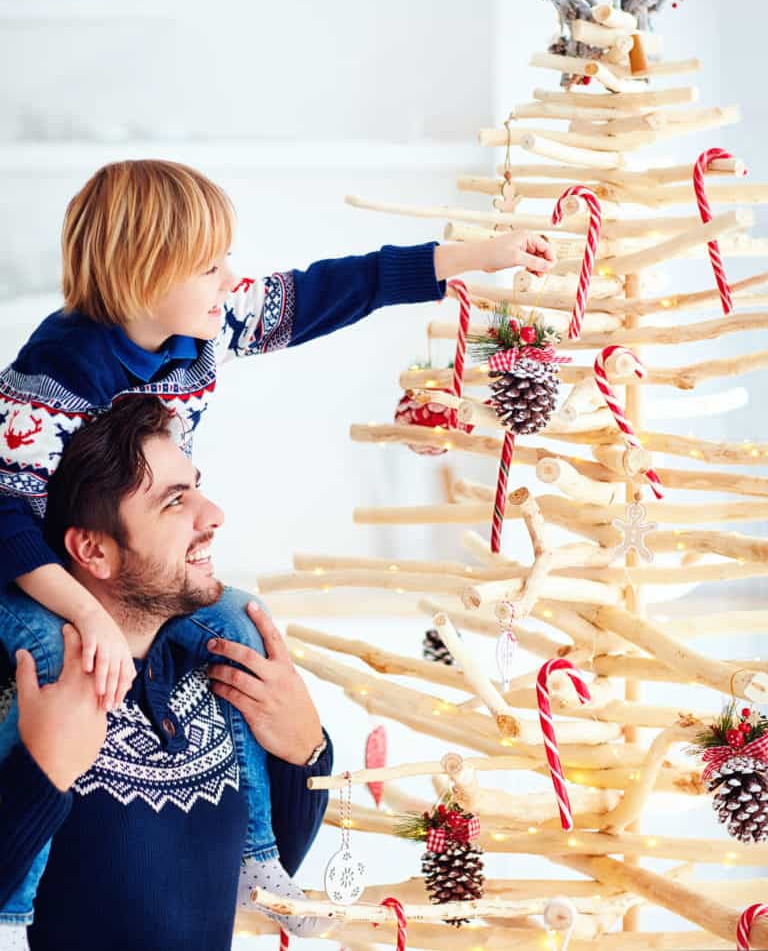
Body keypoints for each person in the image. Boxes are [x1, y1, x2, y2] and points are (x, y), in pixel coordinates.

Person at [0, 158, 555, 928]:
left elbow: (333, 288)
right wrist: (86, 619)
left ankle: (257, 859)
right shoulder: (55, 377)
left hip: (119, 584)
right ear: (142, 274)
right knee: (54, 665)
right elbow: (7, 521)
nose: (231, 279)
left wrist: (466, 260)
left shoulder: (208, 321)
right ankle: (13, 901)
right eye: (209, 265)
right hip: (32, 576)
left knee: (240, 628)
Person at [0, 394, 334, 951]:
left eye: (196, 486)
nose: (214, 515)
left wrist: (306, 750)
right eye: (175, 502)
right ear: (93, 549)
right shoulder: (21, 681)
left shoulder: (215, 669)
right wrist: (43, 774)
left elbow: (259, 878)